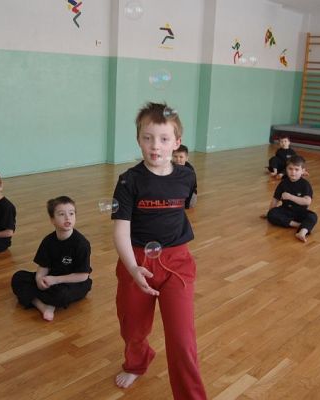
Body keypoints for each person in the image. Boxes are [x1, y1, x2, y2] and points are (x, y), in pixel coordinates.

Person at [112, 102, 207, 399]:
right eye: (148, 138)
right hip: (136, 261)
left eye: (164, 139)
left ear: (177, 142)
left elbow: (184, 207)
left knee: (182, 340)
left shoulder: (186, 177)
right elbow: (120, 231)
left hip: (177, 263)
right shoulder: (128, 181)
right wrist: (132, 268)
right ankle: (137, 361)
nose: (155, 146)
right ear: (138, 139)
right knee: (133, 330)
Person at [11, 196, 92, 321]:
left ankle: (37, 299)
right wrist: (39, 279)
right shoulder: (48, 241)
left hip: (73, 282)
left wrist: (55, 280)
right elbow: (43, 266)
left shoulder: (82, 244)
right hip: (51, 279)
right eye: (61, 214)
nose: (68, 218)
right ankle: (42, 304)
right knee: (18, 278)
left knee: (61, 295)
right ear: (52, 220)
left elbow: (83, 276)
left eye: (71, 213)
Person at [265, 155, 318, 242]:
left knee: (313, 216)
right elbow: (275, 199)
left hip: (300, 212)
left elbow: (307, 201)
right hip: (285, 210)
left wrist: (290, 197)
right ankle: (298, 225)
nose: (293, 172)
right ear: (286, 169)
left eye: (297, 169)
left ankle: (302, 232)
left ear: (303, 171)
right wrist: (270, 211)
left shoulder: (305, 185)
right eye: (290, 169)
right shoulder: (283, 184)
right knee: (271, 214)